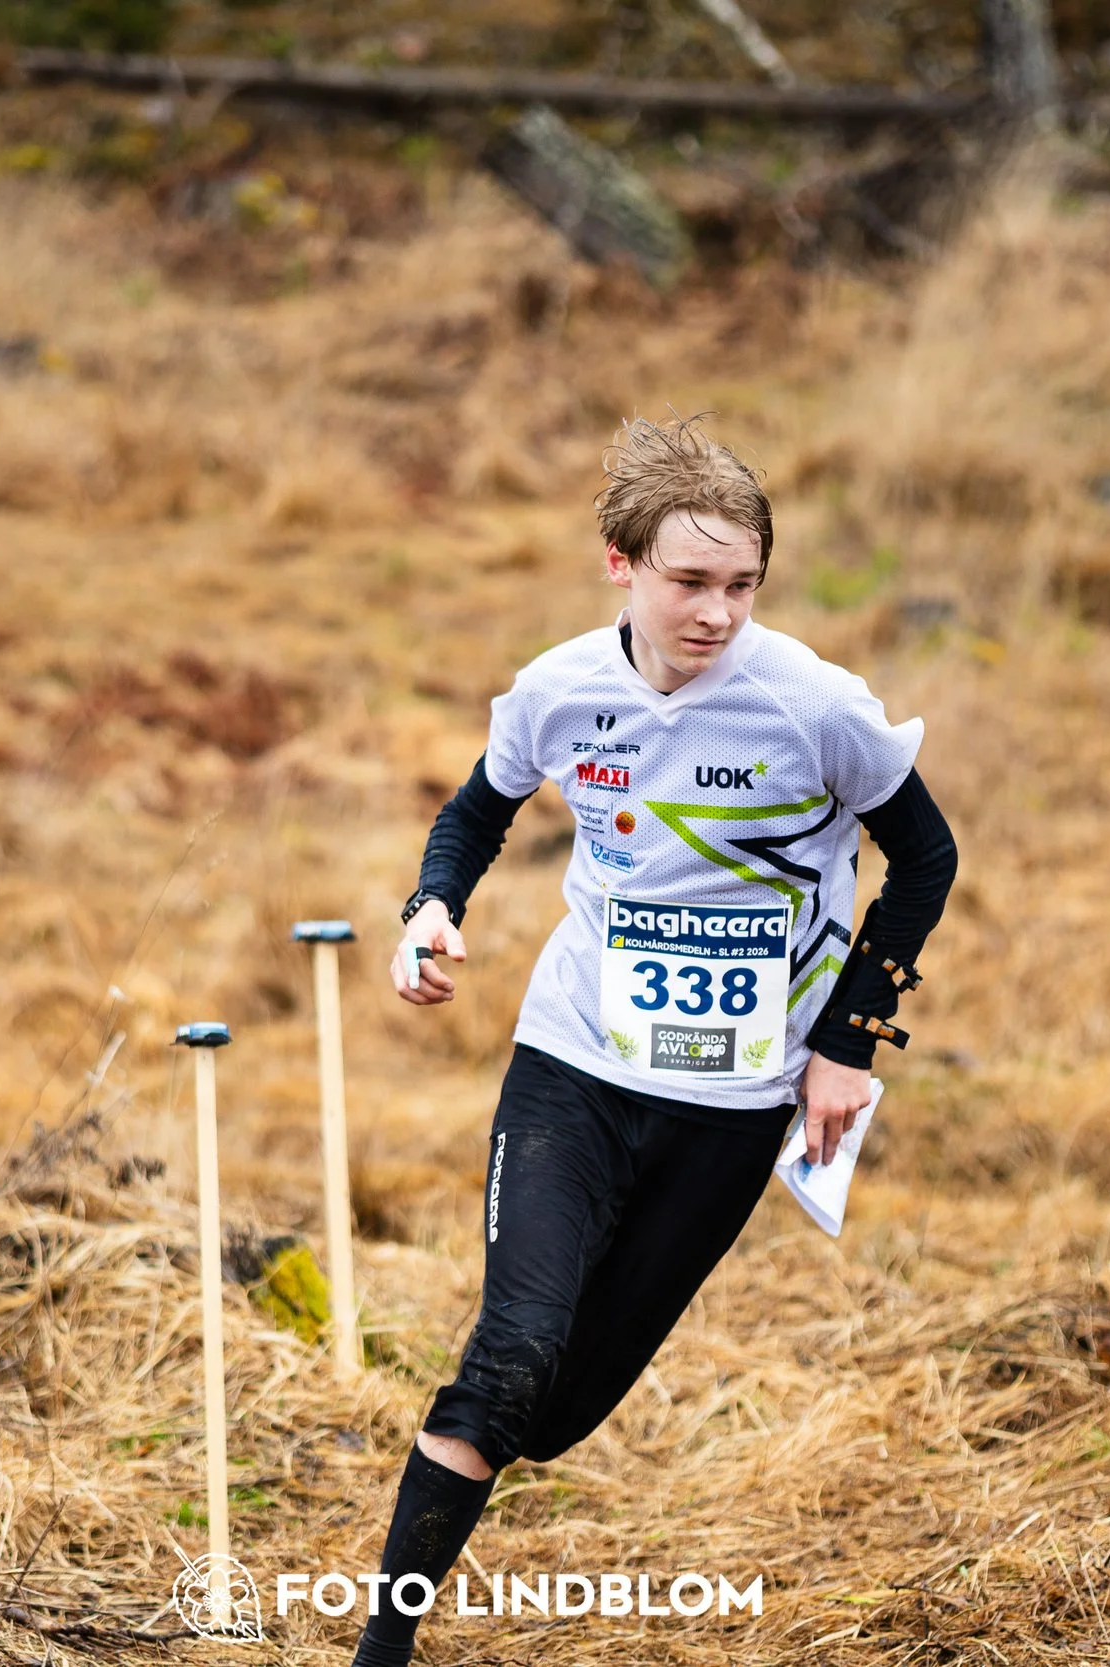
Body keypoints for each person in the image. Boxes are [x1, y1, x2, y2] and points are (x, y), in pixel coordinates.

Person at [350, 416, 959, 1666]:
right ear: (621, 563)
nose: (717, 612)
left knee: (559, 1413)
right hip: (572, 1060)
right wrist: (430, 909)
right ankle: (377, 1654)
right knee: (507, 1363)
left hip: (733, 1101)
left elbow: (926, 857)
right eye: (690, 581)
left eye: (741, 584)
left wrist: (850, 1040)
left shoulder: (813, 706)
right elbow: (475, 810)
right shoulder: (561, 689)